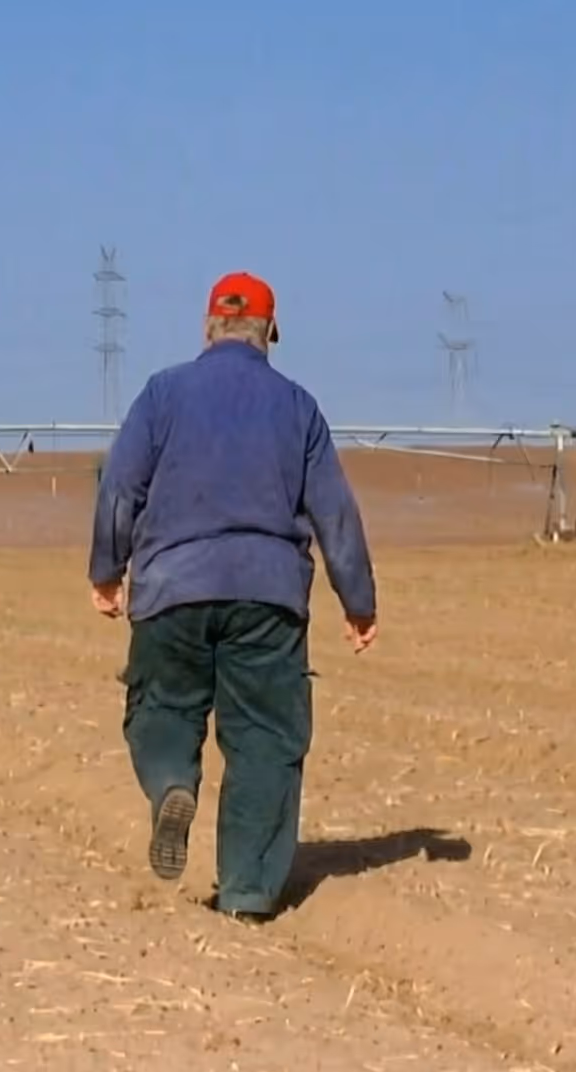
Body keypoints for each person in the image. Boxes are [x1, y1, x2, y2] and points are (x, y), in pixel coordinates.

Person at [87, 270, 378, 921]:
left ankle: (170, 784)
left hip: (171, 589)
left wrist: (107, 569)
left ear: (207, 326)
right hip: (267, 595)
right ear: (270, 332)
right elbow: (335, 512)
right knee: (265, 740)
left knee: (161, 706)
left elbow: (119, 489)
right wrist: (359, 602)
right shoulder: (298, 407)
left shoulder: (162, 395)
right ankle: (246, 891)